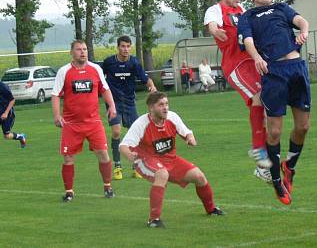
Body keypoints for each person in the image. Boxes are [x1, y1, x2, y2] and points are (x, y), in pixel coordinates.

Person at [237, 0, 311, 205]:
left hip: (297, 68)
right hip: (274, 72)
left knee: (303, 126)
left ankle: (289, 167)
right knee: (275, 131)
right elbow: (247, 41)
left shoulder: (281, 8)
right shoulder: (247, 17)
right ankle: (277, 181)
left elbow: (300, 20)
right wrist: (257, 57)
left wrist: (304, 31)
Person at [119, 92, 224, 228]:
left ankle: (211, 210)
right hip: (146, 160)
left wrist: (190, 138)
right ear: (151, 107)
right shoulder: (141, 123)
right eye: (161, 105)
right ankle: (154, 220)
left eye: (167, 104)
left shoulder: (172, 117)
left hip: (170, 160)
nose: (165, 108)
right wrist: (129, 154)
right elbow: (123, 146)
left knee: (199, 176)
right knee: (162, 174)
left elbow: (187, 131)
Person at [204, 0, 272, 175]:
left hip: (252, 62)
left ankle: (263, 163)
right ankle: (260, 154)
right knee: (259, 97)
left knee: (268, 109)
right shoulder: (215, 9)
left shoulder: (241, 10)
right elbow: (212, 26)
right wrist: (216, 30)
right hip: (236, 66)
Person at [52, 40, 117, 202]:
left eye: (85, 49)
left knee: (103, 154)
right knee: (68, 158)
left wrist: (112, 106)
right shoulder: (64, 71)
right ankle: (69, 192)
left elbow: (105, 89)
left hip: (93, 122)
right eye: (79, 49)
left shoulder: (95, 69)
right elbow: (55, 94)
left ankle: (108, 187)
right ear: (71, 52)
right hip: (71, 124)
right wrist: (57, 115)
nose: (83, 52)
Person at [101, 35, 157, 180]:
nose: (125, 49)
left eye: (128, 46)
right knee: (116, 131)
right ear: (118, 47)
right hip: (114, 103)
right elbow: (98, 77)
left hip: (129, 103)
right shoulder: (108, 63)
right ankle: (117, 166)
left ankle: (136, 166)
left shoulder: (134, 63)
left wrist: (152, 86)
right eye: (123, 46)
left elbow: (146, 79)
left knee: (137, 134)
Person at [0, 70, 26, 160]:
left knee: (6, 136)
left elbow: (12, 100)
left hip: (7, 114)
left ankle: (21, 137)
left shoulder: (3, 87)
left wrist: (6, 113)